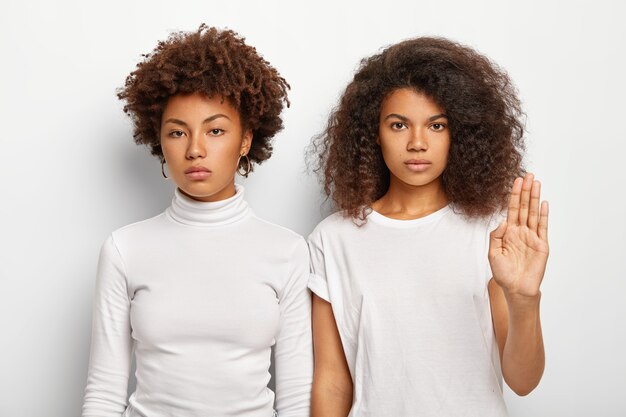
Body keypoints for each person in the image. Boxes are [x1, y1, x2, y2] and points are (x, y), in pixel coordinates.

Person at [308, 37, 549, 416]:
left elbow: (522, 380)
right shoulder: (333, 240)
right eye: (399, 124)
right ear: (374, 132)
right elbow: (332, 382)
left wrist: (524, 300)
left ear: (461, 134)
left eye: (436, 125)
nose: (418, 142)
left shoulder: (490, 234)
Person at [82, 25, 312, 417]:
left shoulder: (287, 251)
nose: (195, 150)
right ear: (159, 141)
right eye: (177, 133)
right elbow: (104, 392)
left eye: (216, 130)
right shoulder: (125, 249)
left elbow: (296, 397)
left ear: (245, 140)